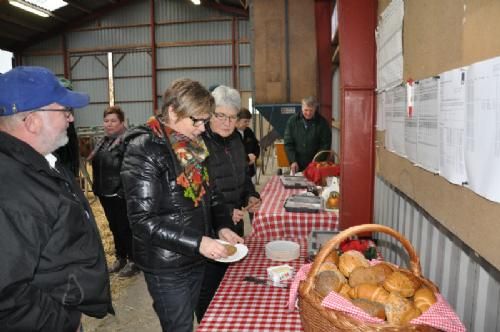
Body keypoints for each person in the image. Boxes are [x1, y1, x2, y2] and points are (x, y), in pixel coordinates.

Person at [120, 78, 243, 332]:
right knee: (179, 325)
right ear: (173, 112)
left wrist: (221, 226)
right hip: (166, 264)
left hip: (196, 255)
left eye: (204, 120)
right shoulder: (144, 149)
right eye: (195, 120)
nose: (201, 128)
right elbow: (142, 221)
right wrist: (198, 242)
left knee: (195, 318)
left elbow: (213, 195)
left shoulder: (195, 146)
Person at [0, 66, 113, 331]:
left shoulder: (39, 162)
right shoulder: (11, 188)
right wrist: (61, 321)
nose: (71, 119)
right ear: (32, 121)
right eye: (64, 111)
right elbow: (6, 294)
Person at [196, 86, 261, 322]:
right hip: (209, 230)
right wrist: (224, 212)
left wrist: (250, 195)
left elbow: (243, 177)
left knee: (232, 282)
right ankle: (207, 324)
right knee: (209, 289)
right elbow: (201, 192)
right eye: (220, 116)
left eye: (232, 117)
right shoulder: (198, 143)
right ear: (209, 115)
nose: (226, 123)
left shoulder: (236, 140)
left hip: (235, 224)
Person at [88, 105, 138, 277]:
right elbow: (97, 166)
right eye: (106, 121)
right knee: (114, 227)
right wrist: (97, 187)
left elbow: (132, 170)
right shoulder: (101, 142)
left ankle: (133, 261)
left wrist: (123, 191)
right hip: (104, 192)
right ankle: (120, 257)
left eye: (113, 121)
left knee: (126, 227)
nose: (109, 124)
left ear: (122, 122)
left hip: (120, 194)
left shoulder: (128, 142)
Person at [284, 96, 331, 173]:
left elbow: (325, 145)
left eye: (311, 110)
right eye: (306, 110)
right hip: (297, 165)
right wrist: (293, 161)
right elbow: (288, 143)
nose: (308, 113)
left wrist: (316, 163)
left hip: (316, 166)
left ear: (315, 109)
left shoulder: (322, 123)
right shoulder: (292, 121)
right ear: (302, 108)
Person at [235, 107, 260, 179]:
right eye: (245, 121)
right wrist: (247, 158)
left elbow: (256, 146)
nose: (247, 124)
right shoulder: (231, 134)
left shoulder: (248, 131)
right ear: (237, 120)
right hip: (238, 173)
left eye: (248, 121)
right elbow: (235, 152)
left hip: (250, 171)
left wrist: (254, 157)